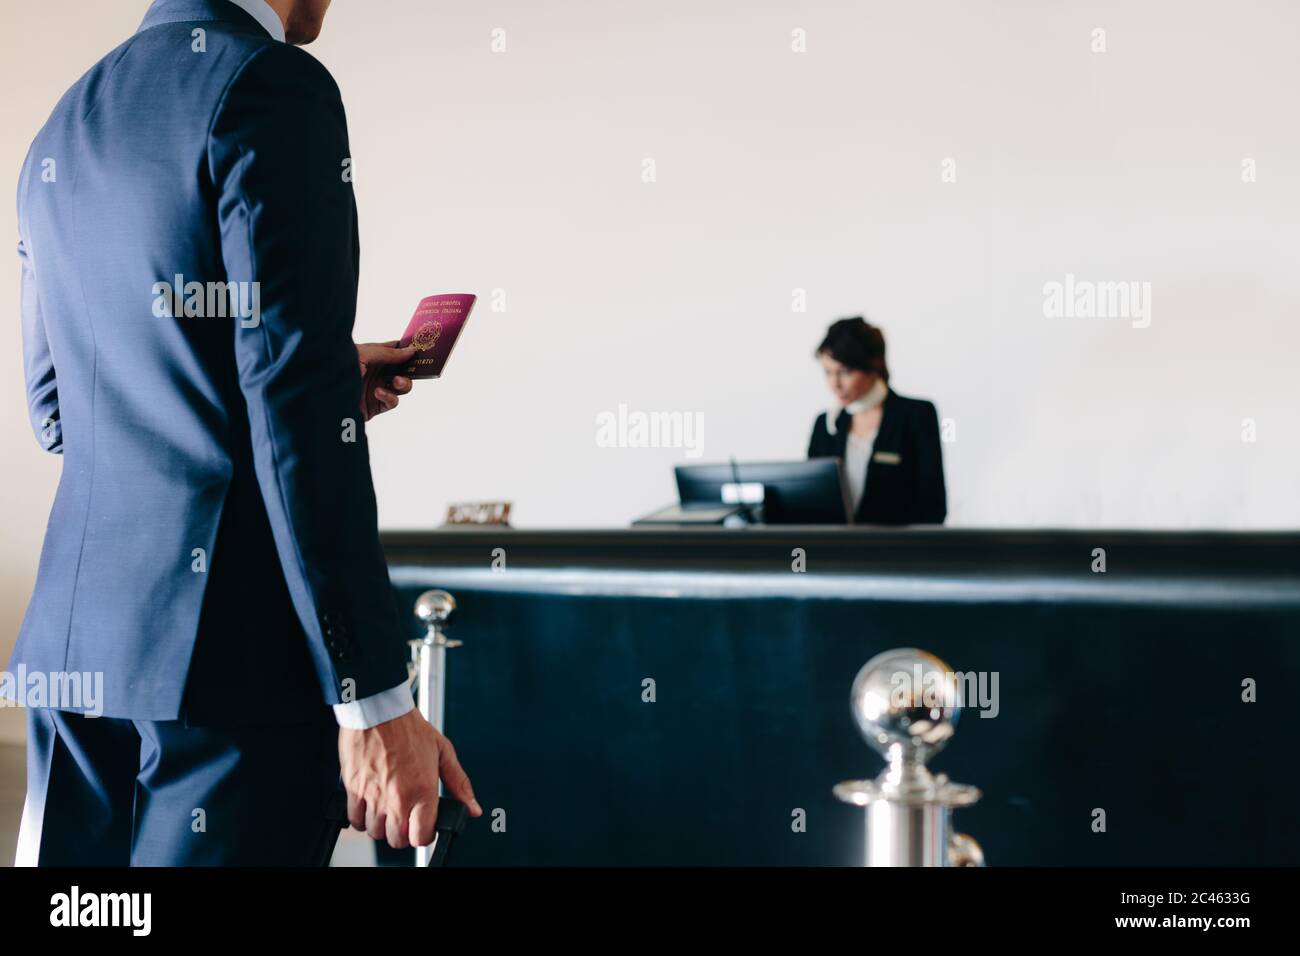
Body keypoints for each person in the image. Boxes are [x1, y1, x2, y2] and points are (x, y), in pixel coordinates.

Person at [9, 0, 480, 865]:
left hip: (73, 651)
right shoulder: (271, 85)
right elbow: (292, 410)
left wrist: (325, 382)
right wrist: (374, 700)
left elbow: (57, 413)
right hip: (227, 664)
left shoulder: (61, 124)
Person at [807, 317, 947, 525]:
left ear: (874, 365)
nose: (835, 383)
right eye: (828, 372)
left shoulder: (916, 415)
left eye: (845, 372)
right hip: (835, 551)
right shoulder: (825, 425)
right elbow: (810, 500)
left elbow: (933, 508)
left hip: (893, 552)